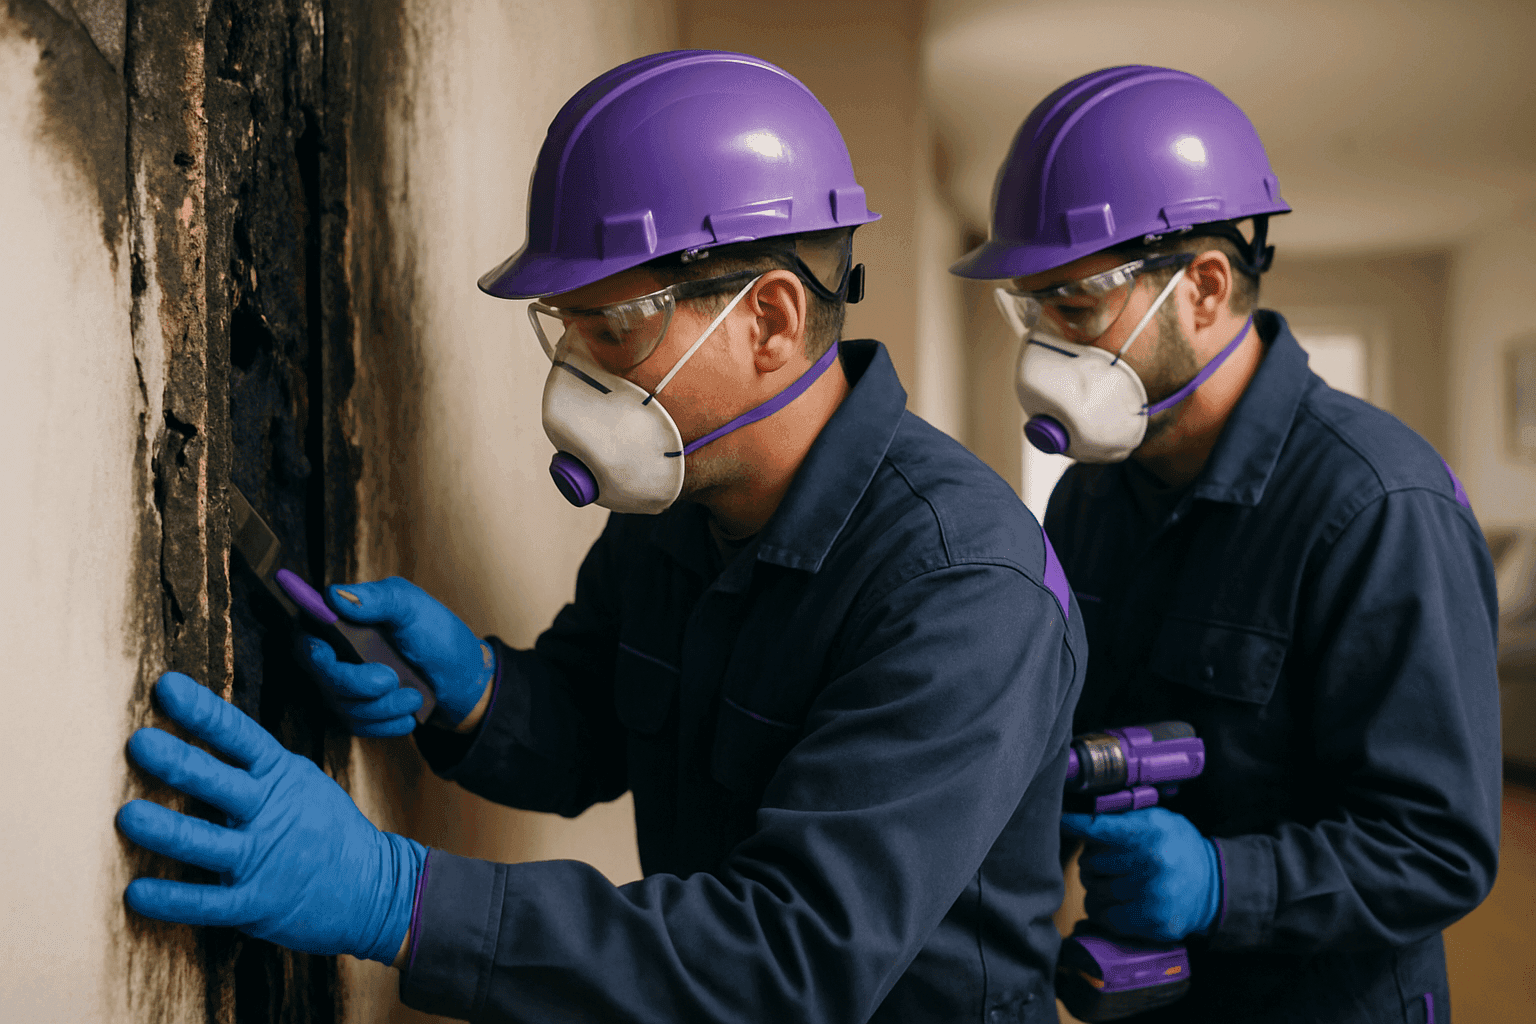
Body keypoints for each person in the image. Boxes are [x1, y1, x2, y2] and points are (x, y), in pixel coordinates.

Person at [116, 50, 1086, 1023]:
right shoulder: (681, 498)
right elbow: (596, 726)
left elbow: (789, 961)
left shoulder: (962, 588)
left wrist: (400, 900)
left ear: (770, 319)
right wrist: (474, 691)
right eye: (564, 327)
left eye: (613, 329)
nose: (575, 377)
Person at [950, 65, 1501, 1022]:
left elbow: (1441, 847)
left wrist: (1222, 880)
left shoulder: (1378, 506)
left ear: (1203, 287)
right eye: (1030, 309)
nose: (1043, 350)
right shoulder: (1088, 499)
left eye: (1073, 306)